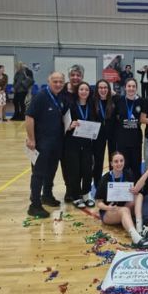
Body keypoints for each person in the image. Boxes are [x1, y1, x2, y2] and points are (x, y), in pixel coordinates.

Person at [25, 71, 66, 218]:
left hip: (56, 142)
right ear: (49, 82)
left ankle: (47, 195)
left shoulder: (60, 96)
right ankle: (34, 205)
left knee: (51, 170)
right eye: (55, 81)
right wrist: (31, 139)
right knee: (38, 173)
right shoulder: (41, 96)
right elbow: (29, 117)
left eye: (60, 81)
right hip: (41, 143)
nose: (58, 84)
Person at [95, 151, 148, 249]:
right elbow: (98, 202)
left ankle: (139, 227)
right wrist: (108, 207)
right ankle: (136, 238)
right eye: (116, 161)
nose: (119, 163)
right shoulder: (105, 178)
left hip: (124, 207)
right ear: (111, 163)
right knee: (124, 210)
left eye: (121, 161)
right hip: (109, 212)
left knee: (139, 195)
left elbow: (136, 190)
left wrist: (134, 190)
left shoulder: (128, 174)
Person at [64, 82, 96, 209]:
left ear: (89, 92)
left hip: (87, 143)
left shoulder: (92, 105)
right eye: (81, 89)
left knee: (87, 170)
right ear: (77, 91)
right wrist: (69, 125)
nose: (84, 92)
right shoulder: (70, 105)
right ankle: (76, 196)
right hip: (72, 143)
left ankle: (86, 194)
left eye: (86, 90)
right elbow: (63, 122)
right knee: (74, 170)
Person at [59, 64, 84, 202]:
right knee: (67, 164)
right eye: (73, 75)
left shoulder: (84, 90)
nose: (75, 77)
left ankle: (77, 189)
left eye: (78, 75)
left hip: (81, 134)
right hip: (65, 134)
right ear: (69, 76)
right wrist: (66, 126)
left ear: (82, 77)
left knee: (79, 163)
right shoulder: (61, 91)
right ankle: (69, 189)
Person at [115, 78, 144, 177]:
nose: (131, 88)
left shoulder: (141, 101)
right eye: (129, 86)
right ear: (125, 87)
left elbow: (144, 117)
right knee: (123, 165)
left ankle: (137, 185)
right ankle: (123, 184)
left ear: (136, 88)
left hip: (136, 139)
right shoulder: (119, 100)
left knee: (136, 166)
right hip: (122, 139)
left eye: (133, 86)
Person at [92, 79, 116, 188]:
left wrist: (115, 94)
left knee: (113, 159)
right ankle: (98, 185)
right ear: (97, 89)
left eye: (105, 87)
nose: (103, 90)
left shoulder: (114, 100)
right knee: (98, 160)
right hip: (98, 135)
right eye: (100, 88)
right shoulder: (93, 101)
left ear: (109, 89)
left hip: (112, 134)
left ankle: (113, 181)